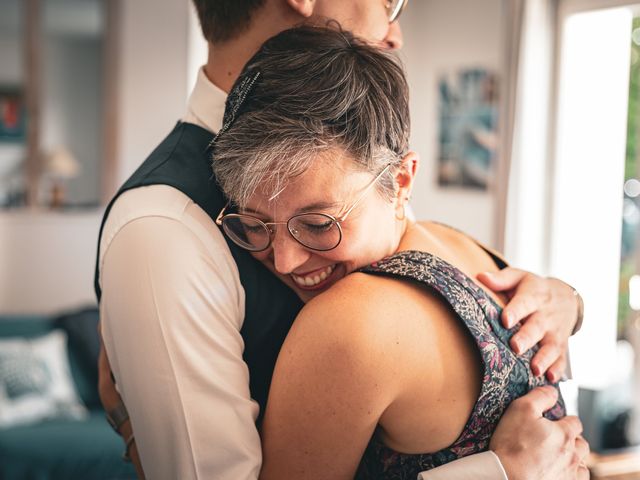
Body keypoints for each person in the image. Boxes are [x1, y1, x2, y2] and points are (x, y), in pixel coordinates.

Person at [96, 1, 586, 479]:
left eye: (316, 224)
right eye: (388, 0)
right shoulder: (163, 228)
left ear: (402, 180)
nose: (395, 33)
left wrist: (567, 301)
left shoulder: (363, 177)